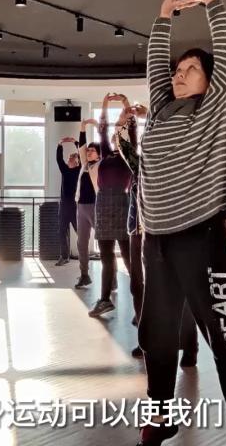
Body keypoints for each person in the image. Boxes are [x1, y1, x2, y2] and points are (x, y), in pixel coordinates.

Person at [137, 0, 226, 446]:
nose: (179, 74)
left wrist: (213, 4)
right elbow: (156, 68)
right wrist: (163, 18)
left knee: (224, 337)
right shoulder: (161, 111)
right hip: (157, 241)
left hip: (201, 239)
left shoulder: (214, 109)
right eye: (178, 69)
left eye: (191, 70)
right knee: (157, 337)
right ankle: (160, 417)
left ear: (210, 82)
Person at [118, 103, 198, 364]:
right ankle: (148, 342)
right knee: (138, 288)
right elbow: (122, 144)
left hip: (171, 232)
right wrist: (123, 119)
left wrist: (150, 115)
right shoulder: (140, 165)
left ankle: (189, 345)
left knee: (179, 289)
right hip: (138, 231)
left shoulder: (180, 162)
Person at [89, 93, 133, 318]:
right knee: (106, 256)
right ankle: (105, 299)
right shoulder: (106, 153)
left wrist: (125, 104)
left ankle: (142, 304)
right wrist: (104, 104)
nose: (115, 135)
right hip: (103, 203)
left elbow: (132, 126)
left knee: (128, 256)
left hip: (122, 204)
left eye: (119, 133)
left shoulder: (129, 155)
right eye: (114, 134)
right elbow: (102, 129)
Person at [74, 118, 100, 289]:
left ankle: (111, 279)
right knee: (81, 244)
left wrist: (98, 127)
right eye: (88, 150)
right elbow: (82, 146)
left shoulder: (100, 165)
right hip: (81, 207)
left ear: (99, 154)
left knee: (104, 243)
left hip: (95, 207)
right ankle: (84, 275)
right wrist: (83, 127)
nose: (89, 152)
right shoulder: (84, 165)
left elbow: (105, 146)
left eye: (93, 150)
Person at [55, 135, 81, 267]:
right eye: (69, 158)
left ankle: (83, 255)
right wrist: (60, 144)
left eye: (72, 158)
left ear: (77, 162)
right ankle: (64, 256)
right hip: (64, 206)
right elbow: (59, 159)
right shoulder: (65, 170)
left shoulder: (79, 170)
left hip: (75, 206)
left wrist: (75, 142)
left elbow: (82, 155)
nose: (69, 159)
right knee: (62, 231)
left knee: (80, 232)